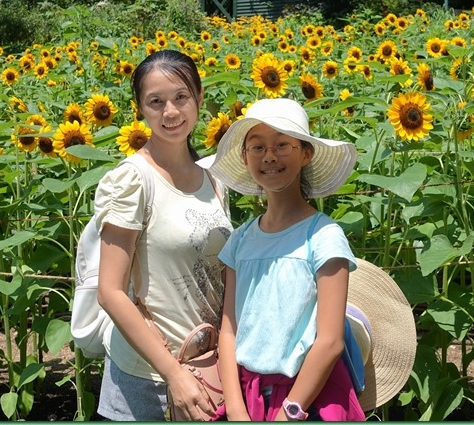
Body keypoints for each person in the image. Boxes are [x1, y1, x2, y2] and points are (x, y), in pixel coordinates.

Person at [201, 98, 365, 421]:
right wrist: (235, 409)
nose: (270, 156)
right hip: (248, 401)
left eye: (282, 145)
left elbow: (330, 341)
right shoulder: (241, 240)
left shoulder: (322, 236)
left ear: (306, 153)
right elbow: (228, 331)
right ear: (245, 157)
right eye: (257, 147)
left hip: (307, 401)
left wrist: (290, 410)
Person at [95, 49, 233, 421]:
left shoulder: (215, 179)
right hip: (149, 379)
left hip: (209, 370)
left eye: (180, 97)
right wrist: (174, 375)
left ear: (200, 97)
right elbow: (109, 291)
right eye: (156, 102)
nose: (170, 112)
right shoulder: (132, 180)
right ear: (140, 108)